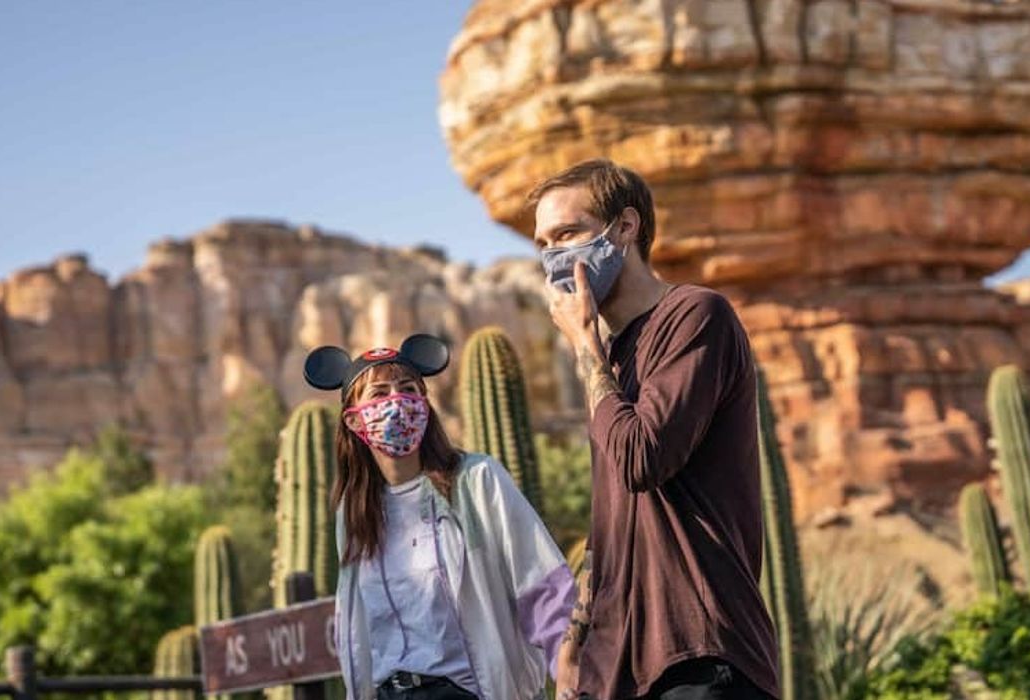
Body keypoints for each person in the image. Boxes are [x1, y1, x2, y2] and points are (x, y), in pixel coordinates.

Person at [533, 160, 780, 700]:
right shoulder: (611, 357)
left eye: (568, 233)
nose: (553, 256)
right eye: (544, 242)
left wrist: (586, 353)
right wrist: (576, 639)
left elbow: (641, 458)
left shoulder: (694, 315)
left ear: (625, 227)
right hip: (617, 665)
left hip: (699, 653)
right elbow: (613, 513)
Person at [304, 334, 575, 700]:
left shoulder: (475, 480)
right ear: (354, 421)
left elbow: (540, 583)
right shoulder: (354, 512)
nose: (397, 403)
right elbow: (359, 632)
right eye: (379, 395)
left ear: (425, 404)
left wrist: (571, 669)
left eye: (408, 390)